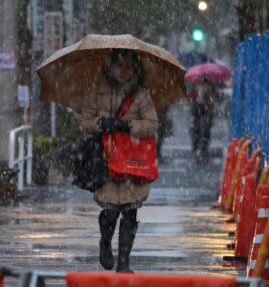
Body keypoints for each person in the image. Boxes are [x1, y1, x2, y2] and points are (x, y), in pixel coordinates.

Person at [80, 49, 158, 273]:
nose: (123, 71)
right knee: (111, 210)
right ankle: (105, 242)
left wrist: (127, 126)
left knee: (131, 210)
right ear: (111, 67)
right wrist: (101, 124)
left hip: (133, 160)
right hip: (106, 158)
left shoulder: (141, 95)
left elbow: (151, 123)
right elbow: (86, 121)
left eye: (128, 67)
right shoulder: (97, 91)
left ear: (134, 69)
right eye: (119, 66)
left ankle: (124, 263)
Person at [190, 77, 220, 162]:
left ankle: (203, 148)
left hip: (206, 110)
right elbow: (191, 96)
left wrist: (209, 97)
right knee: (196, 128)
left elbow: (215, 97)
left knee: (206, 129)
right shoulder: (195, 86)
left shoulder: (210, 86)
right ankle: (197, 145)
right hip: (197, 109)